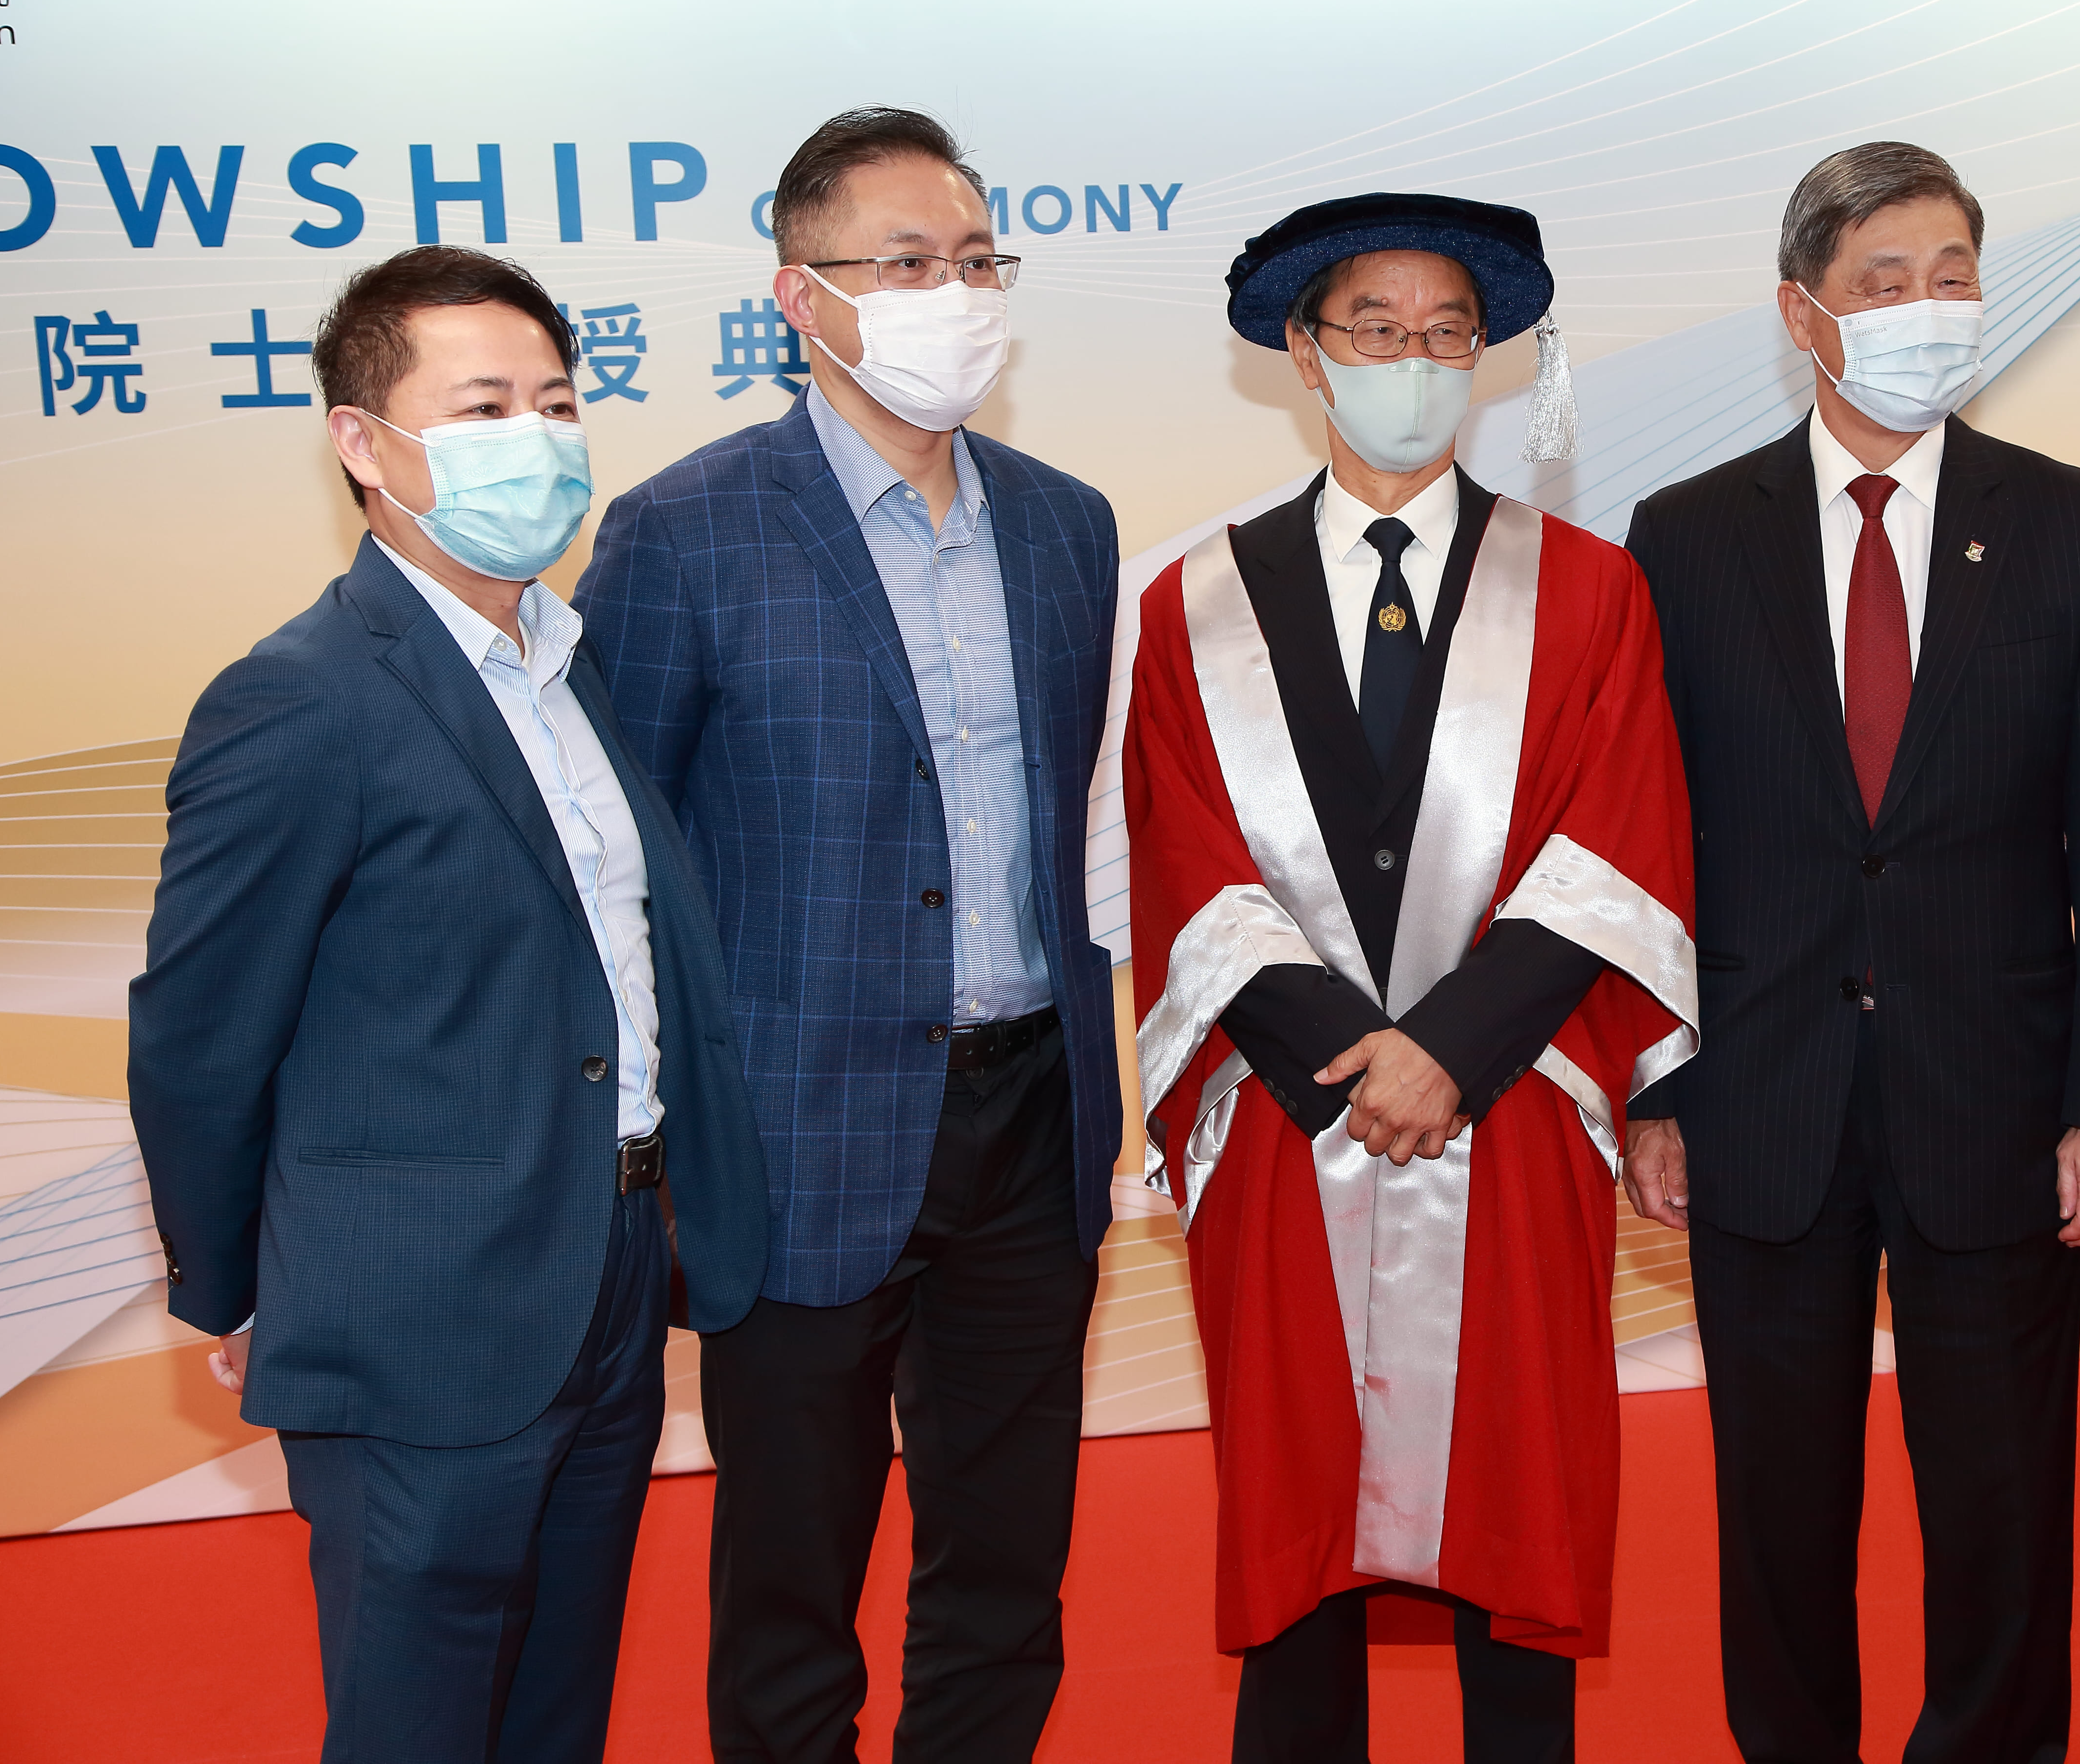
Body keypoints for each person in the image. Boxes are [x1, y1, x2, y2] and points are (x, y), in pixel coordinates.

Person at [130, 244, 769, 1763]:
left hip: (611, 1270)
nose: (534, 440)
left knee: (556, 1709)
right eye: (484, 408)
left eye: (555, 403)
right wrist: (250, 1291)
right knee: (421, 1722)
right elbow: (202, 1039)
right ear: (363, 442)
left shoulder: (567, 666)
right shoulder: (302, 696)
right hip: (415, 1312)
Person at [575, 107, 1121, 1764]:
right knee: (792, 1573)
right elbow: (625, 860)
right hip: (796, 1133)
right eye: (904, 264)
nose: (952, 294)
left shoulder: (1067, 524)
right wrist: (663, 1139)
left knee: (1007, 1558)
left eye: (976, 261)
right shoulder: (684, 530)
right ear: (800, 296)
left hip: (1031, 1116)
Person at [1125, 192, 1697, 1764]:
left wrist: (1451, 1049)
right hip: (1287, 1111)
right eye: (1376, 330)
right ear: (1308, 355)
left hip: (1510, 1107)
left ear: (1488, 357)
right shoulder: (1196, 602)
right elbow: (1186, 856)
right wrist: (1351, 1056)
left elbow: (1618, 841)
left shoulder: (1588, 588)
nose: (1415, 361)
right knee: (1296, 1506)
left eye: (1449, 332)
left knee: (1518, 1497)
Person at [1621, 141, 2080, 1763]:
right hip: (1760, 1095)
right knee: (1778, 1509)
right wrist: (1655, 1085)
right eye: (1884, 283)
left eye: (1952, 277)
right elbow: (1649, 841)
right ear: (1803, 313)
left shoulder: (2076, 525)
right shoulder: (1686, 535)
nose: (1928, 309)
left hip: (1995, 1097)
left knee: (2002, 1509)